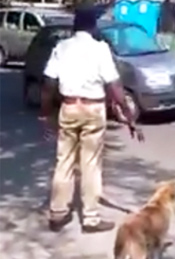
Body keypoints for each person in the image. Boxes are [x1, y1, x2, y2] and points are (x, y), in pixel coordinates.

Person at [40, 5, 143, 233]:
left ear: (75, 26)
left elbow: (48, 84)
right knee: (90, 165)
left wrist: (44, 114)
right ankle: (90, 218)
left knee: (63, 162)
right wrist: (129, 118)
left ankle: (57, 213)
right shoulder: (100, 49)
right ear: (93, 26)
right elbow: (115, 87)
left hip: (69, 107)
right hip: (93, 110)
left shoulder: (62, 47)